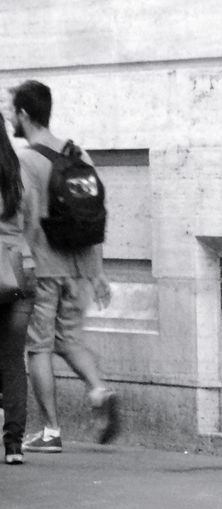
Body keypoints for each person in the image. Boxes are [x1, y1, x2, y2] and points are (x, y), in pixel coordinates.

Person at [11, 80, 120, 452]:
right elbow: (95, 216)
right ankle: (99, 389)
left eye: (13, 111)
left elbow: (21, 215)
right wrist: (99, 270)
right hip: (82, 267)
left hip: (43, 266)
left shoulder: (24, 160)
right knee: (69, 340)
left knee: (38, 347)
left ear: (24, 114)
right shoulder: (79, 155)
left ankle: (51, 431)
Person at [0, 115, 34, 465]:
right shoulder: (19, 173)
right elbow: (34, 225)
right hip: (20, 269)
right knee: (13, 361)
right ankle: (13, 445)